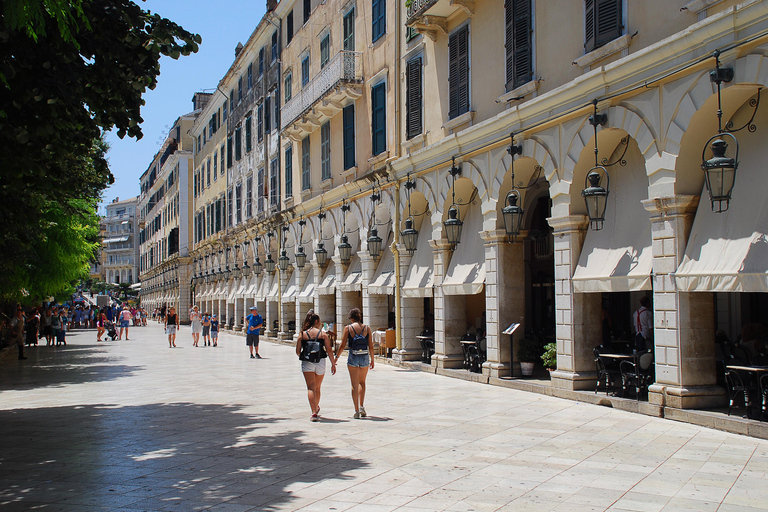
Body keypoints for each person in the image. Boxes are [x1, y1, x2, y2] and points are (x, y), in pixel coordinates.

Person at [296, 311, 336, 421]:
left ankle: (313, 412)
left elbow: (298, 351)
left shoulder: (302, 334)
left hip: (307, 361)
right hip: (320, 361)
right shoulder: (323, 334)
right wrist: (333, 364)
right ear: (317, 321)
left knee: (311, 387)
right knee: (317, 387)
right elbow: (329, 350)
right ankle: (316, 407)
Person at [335, 308, 374, 419]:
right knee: (362, 382)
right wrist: (373, 360)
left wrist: (336, 357)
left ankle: (356, 410)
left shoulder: (348, 328)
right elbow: (370, 346)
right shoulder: (367, 328)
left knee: (354, 384)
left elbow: (342, 345)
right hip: (365, 356)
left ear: (351, 318)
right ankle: (362, 406)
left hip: (353, 355)